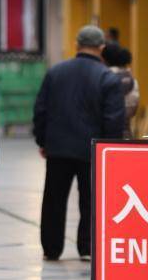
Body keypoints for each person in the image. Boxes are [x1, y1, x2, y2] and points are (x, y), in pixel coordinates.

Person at [34, 25, 126, 262]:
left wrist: (43, 140)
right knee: (91, 199)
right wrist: (111, 152)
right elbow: (114, 120)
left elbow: (41, 110)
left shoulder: (56, 72)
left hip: (59, 148)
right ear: (102, 48)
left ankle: (52, 248)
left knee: (54, 199)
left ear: (76, 45)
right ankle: (87, 247)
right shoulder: (108, 78)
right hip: (93, 150)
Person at [102, 42, 140, 138]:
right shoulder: (132, 79)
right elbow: (133, 108)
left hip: (104, 135)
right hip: (126, 132)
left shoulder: (103, 78)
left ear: (104, 59)